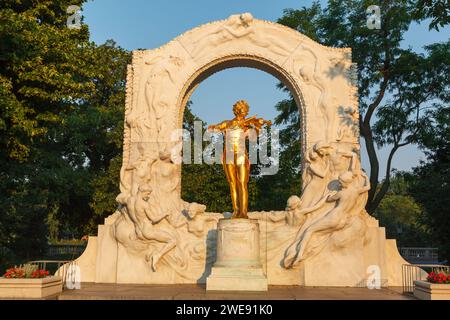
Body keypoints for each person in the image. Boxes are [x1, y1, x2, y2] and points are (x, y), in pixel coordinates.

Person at [284, 171, 370, 268]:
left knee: (309, 230)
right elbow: (368, 187)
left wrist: (328, 195)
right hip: (343, 221)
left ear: (347, 182)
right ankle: (309, 252)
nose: (339, 184)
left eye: (340, 182)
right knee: (320, 234)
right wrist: (365, 177)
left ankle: (299, 255)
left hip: (334, 217)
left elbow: (329, 199)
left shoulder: (341, 193)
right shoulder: (356, 191)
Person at [208, 100, 271, 218]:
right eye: (243, 110)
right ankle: (236, 210)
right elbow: (213, 129)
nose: (245, 113)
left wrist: (256, 126)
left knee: (242, 183)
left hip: (242, 155)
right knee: (232, 183)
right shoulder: (227, 123)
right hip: (228, 156)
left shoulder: (246, 125)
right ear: (237, 110)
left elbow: (253, 138)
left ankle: (243, 211)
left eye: (246, 111)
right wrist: (213, 127)